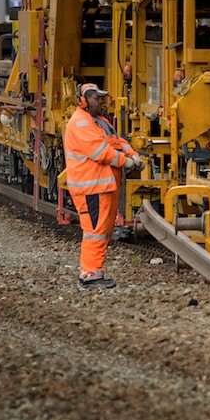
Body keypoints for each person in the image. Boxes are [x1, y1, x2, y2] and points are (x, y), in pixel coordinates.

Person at [63, 82, 146, 290]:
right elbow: (100, 151)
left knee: (102, 230)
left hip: (102, 188)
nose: (99, 101)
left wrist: (132, 154)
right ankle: (89, 274)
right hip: (92, 188)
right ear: (83, 101)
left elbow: (116, 141)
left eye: (100, 97)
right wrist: (125, 161)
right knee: (95, 231)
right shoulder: (81, 123)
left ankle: (94, 272)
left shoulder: (97, 121)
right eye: (94, 98)